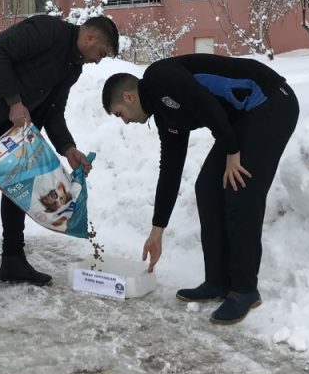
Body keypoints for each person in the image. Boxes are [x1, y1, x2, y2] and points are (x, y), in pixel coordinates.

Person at [102, 54, 298, 325]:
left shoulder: (160, 76)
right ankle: (217, 281)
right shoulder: (165, 116)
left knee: (240, 189)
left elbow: (204, 103)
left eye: (119, 114)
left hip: (271, 101)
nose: (124, 121)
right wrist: (157, 230)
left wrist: (232, 150)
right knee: (207, 187)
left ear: (129, 96)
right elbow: (170, 170)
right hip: (241, 119)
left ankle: (244, 289)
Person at [0, 14, 119, 301]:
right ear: (90, 38)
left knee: (20, 184)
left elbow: (53, 111)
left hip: (9, 120)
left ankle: (13, 260)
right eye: (101, 53)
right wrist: (14, 102)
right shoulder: (47, 30)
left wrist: (68, 148)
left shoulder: (72, 68)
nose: (99, 60)